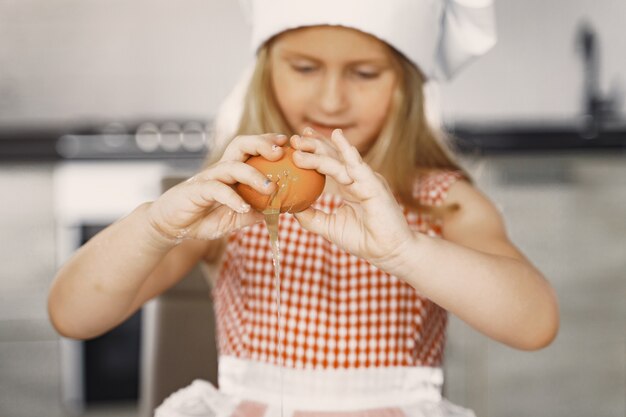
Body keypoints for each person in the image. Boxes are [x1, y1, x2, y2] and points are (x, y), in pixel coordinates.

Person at [48, 1, 560, 416]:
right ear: (266, 69)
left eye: (364, 72)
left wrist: (406, 251)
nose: (332, 99)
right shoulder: (233, 196)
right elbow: (73, 314)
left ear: (407, 83)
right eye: (304, 67)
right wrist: (156, 225)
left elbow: (534, 323)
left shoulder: (443, 202)